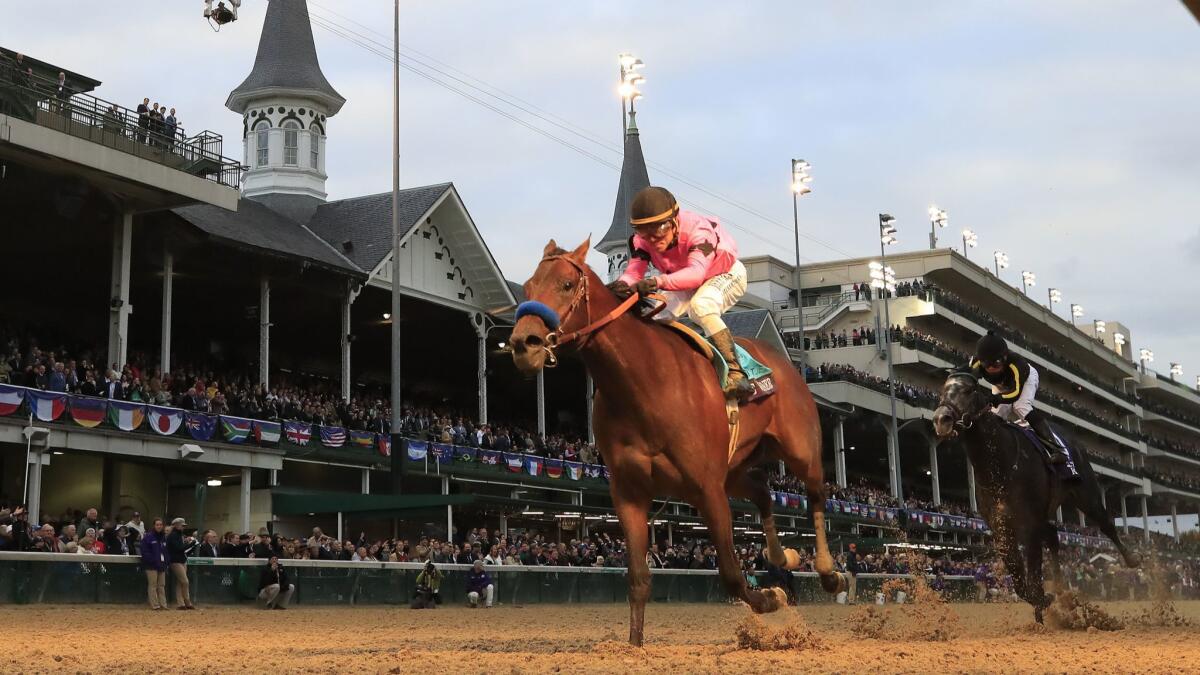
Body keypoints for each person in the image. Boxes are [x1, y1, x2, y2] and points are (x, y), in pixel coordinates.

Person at [607, 186, 753, 400]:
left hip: (723, 273)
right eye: (644, 232)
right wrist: (621, 286)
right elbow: (633, 272)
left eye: (659, 230)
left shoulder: (699, 231)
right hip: (682, 280)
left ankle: (736, 373)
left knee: (701, 307)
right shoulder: (642, 241)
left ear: (674, 221)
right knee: (650, 314)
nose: (653, 239)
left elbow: (696, 274)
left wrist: (657, 281)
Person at [970, 331, 1069, 465]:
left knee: (1021, 407)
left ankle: (1056, 450)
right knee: (997, 414)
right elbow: (966, 378)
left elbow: (1015, 393)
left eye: (996, 363)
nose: (992, 368)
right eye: (987, 364)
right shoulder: (975, 363)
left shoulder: (1016, 365)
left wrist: (996, 399)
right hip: (1001, 385)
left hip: (1024, 380)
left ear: (1005, 358)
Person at [166, 517, 196, 609]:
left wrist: (191, 545)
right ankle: (187, 602)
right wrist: (191, 544)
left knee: (180, 582)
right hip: (175, 561)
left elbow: (183, 549)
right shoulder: (173, 536)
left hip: (182, 560)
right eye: (181, 525)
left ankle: (181, 604)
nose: (183, 527)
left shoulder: (180, 535)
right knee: (185, 581)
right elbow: (179, 548)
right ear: (176, 525)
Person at [141, 518, 168, 610]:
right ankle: (155, 605)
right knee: (153, 585)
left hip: (162, 565)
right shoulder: (148, 537)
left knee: (161, 585)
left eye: (161, 524)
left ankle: (163, 605)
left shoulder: (163, 537)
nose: (159, 526)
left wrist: (166, 562)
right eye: (157, 524)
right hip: (151, 565)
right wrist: (153, 560)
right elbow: (145, 552)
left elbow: (165, 551)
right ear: (154, 526)